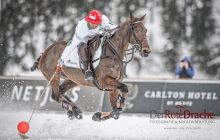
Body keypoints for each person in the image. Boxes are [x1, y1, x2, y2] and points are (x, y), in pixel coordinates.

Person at [58, 10, 117, 81]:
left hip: (98, 36)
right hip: (85, 38)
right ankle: (87, 70)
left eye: (95, 23)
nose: (92, 24)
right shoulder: (81, 27)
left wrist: (109, 31)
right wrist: (62, 59)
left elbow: (115, 29)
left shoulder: (104, 19)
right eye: (91, 22)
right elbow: (72, 44)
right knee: (81, 47)